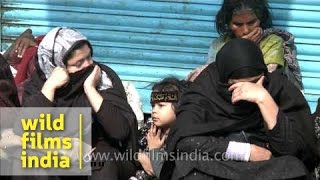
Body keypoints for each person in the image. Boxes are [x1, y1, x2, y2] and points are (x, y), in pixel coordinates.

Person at [160, 38, 319, 180]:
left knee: (293, 167)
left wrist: (264, 99)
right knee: (188, 164)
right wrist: (245, 152)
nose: (246, 91)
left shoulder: (279, 88)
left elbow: (293, 150)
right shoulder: (204, 90)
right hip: (220, 161)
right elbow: (185, 141)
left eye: (254, 82)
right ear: (223, 80)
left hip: (264, 166)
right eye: (237, 85)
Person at [21, 27, 138, 180]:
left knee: (103, 162)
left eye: (89, 57)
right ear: (56, 66)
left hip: (99, 153)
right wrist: (50, 88)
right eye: (78, 63)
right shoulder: (39, 85)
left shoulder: (102, 79)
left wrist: (90, 90)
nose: (88, 65)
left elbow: (120, 131)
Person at [187, 0, 303, 91]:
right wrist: (240, 46)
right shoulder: (220, 44)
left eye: (252, 22)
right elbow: (210, 78)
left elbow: (265, 80)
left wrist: (246, 47)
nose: (246, 30)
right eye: (238, 24)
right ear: (228, 23)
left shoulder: (272, 43)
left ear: (260, 20)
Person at [133, 77, 189, 180]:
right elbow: (133, 148)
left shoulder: (183, 138)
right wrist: (138, 156)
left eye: (161, 105)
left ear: (179, 107)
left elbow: (167, 174)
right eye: (153, 105)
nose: (154, 110)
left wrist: (154, 150)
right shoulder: (150, 129)